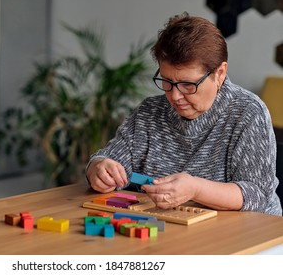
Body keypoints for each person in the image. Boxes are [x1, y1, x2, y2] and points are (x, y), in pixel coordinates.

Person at [85, 12, 282, 216]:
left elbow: (257, 194)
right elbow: (108, 159)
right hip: (174, 229)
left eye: (188, 85)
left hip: (252, 235)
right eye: (167, 81)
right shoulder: (149, 112)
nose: (175, 96)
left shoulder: (248, 112)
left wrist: (195, 189)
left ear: (220, 74)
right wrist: (98, 169)